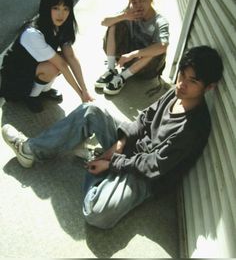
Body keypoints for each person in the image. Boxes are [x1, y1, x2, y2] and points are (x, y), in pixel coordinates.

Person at [2, 46, 223, 229]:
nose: (182, 83)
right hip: (131, 152)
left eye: (192, 81)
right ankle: (30, 149)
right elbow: (144, 120)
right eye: (182, 75)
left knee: (97, 214)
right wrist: (117, 146)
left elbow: (152, 165)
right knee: (92, 110)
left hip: (145, 177)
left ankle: (93, 158)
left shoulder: (193, 128)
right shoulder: (176, 93)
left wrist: (110, 162)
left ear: (209, 87)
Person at [0, 0, 93, 113]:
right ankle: (31, 96)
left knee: (63, 58)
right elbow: (61, 65)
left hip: (33, 67)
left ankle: (43, 90)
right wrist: (81, 95)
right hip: (15, 79)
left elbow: (70, 57)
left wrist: (85, 90)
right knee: (54, 65)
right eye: (56, 8)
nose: (61, 14)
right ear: (46, 7)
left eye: (66, 9)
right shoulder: (32, 33)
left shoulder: (61, 26)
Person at [94, 0, 169, 95]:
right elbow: (104, 22)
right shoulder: (131, 12)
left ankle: (123, 77)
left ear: (150, 0)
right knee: (114, 24)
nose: (138, 5)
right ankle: (111, 69)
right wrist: (123, 16)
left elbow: (163, 46)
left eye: (142, 0)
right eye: (134, 2)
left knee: (156, 50)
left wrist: (132, 54)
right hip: (127, 60)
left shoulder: (160, 21)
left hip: (147, 69)